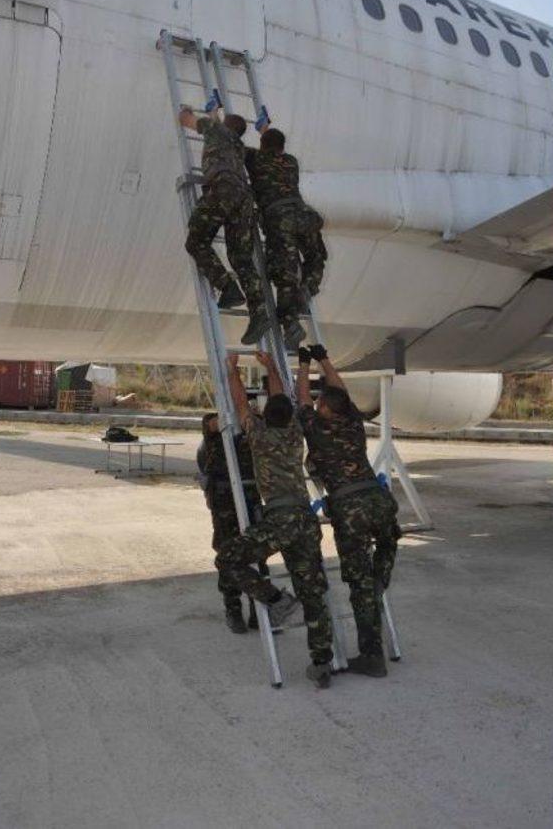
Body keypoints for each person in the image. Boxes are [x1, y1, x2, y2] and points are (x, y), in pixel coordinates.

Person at [216, 351, 334, 688]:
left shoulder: (259, 434)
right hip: (304, 517)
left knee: (228, 558)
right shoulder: (297, 432)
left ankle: (274, 600)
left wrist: (232, 371)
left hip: (280, 518)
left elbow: (240, 404)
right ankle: (322, 662)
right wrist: (270, 368)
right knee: (312, 589)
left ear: (265, 415)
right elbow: (280, 398)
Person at [296, 344, 402, 678]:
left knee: (359, 585)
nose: (315, 404)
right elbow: (339, 391)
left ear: (323, 408)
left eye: (319, 403)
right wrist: (324, 359)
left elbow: (302, 398)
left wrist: (302, 366)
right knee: (385, 548)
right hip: (380, 502)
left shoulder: (317, 427)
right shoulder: (352, 422)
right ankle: (377, 583)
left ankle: (371, 656)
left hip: (351, 508)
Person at [180, 106, 270, 345]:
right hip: (244, 198)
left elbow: (186, 120)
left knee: (196, 241)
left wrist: (186, 113)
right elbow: (218, 127)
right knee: (242, 259)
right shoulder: (239, 147)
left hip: (222, 189)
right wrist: (214, 118)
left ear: (224, 124)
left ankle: (227, 287)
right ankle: (260, 313)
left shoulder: (216, 130)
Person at [245, 128, 327, 350]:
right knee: (316, 257)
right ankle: (307, 288)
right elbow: (275, 150)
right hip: (303, 215)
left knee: (285, 274)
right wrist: (266, 133)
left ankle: (290, 324)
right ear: (282, 147)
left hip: (279, 218)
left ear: (262, 145)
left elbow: (234, 145)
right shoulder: (291, 161)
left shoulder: (254, 157)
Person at [197, 412, 268, 634]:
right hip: (225, 503)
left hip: (250, 498)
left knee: (257, 554)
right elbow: (211, 424)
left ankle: (260, 611)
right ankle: (233, 609)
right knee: (228, 554)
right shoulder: (215, 425)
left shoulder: (252, 426)